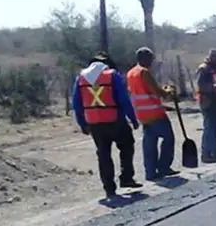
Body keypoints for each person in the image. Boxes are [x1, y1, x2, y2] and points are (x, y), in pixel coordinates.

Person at [71, 52, 143, 199]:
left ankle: (109, 189)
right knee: (127, 145)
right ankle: (126, 177)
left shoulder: (81, 78)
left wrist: (82, 123)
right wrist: (133, 118)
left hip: (94, 123)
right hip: (115, 120)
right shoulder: (112, 75)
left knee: (103, 155)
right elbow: (124, 99)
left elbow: (77, 103)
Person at [126, 47, 179, 181]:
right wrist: (168, 91)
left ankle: (150, 172)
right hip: (154, 112)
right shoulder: (144, 72)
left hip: (142, 114)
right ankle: (163, 167)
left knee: (149, 142)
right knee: (168, 138)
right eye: (151, 58)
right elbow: (156, 91)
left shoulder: (131, 73)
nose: (152, 61)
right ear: (145, 58)